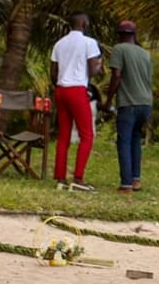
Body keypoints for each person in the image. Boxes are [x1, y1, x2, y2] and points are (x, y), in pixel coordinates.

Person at [50, 13, 103, 191]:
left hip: (61, 90)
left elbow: (53, 72)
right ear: (84, 24)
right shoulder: (89, 42)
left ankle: (60, 177)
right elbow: (93, 70)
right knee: (87, 135)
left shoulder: (59, 43)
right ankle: (78, 178)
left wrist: (61, 83)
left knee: (63, 135)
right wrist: (99, 66)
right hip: (77, 90)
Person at [106, 20, 153, 194]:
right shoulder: (145, 54)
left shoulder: (119, 49)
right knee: (135, 140)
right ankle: (135, 179)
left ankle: (125, 184)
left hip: (128, 103)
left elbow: (116, 75)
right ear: (134, 35)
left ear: (120, 35)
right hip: (146, 103)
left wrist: (108, 99)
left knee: (124, 142)